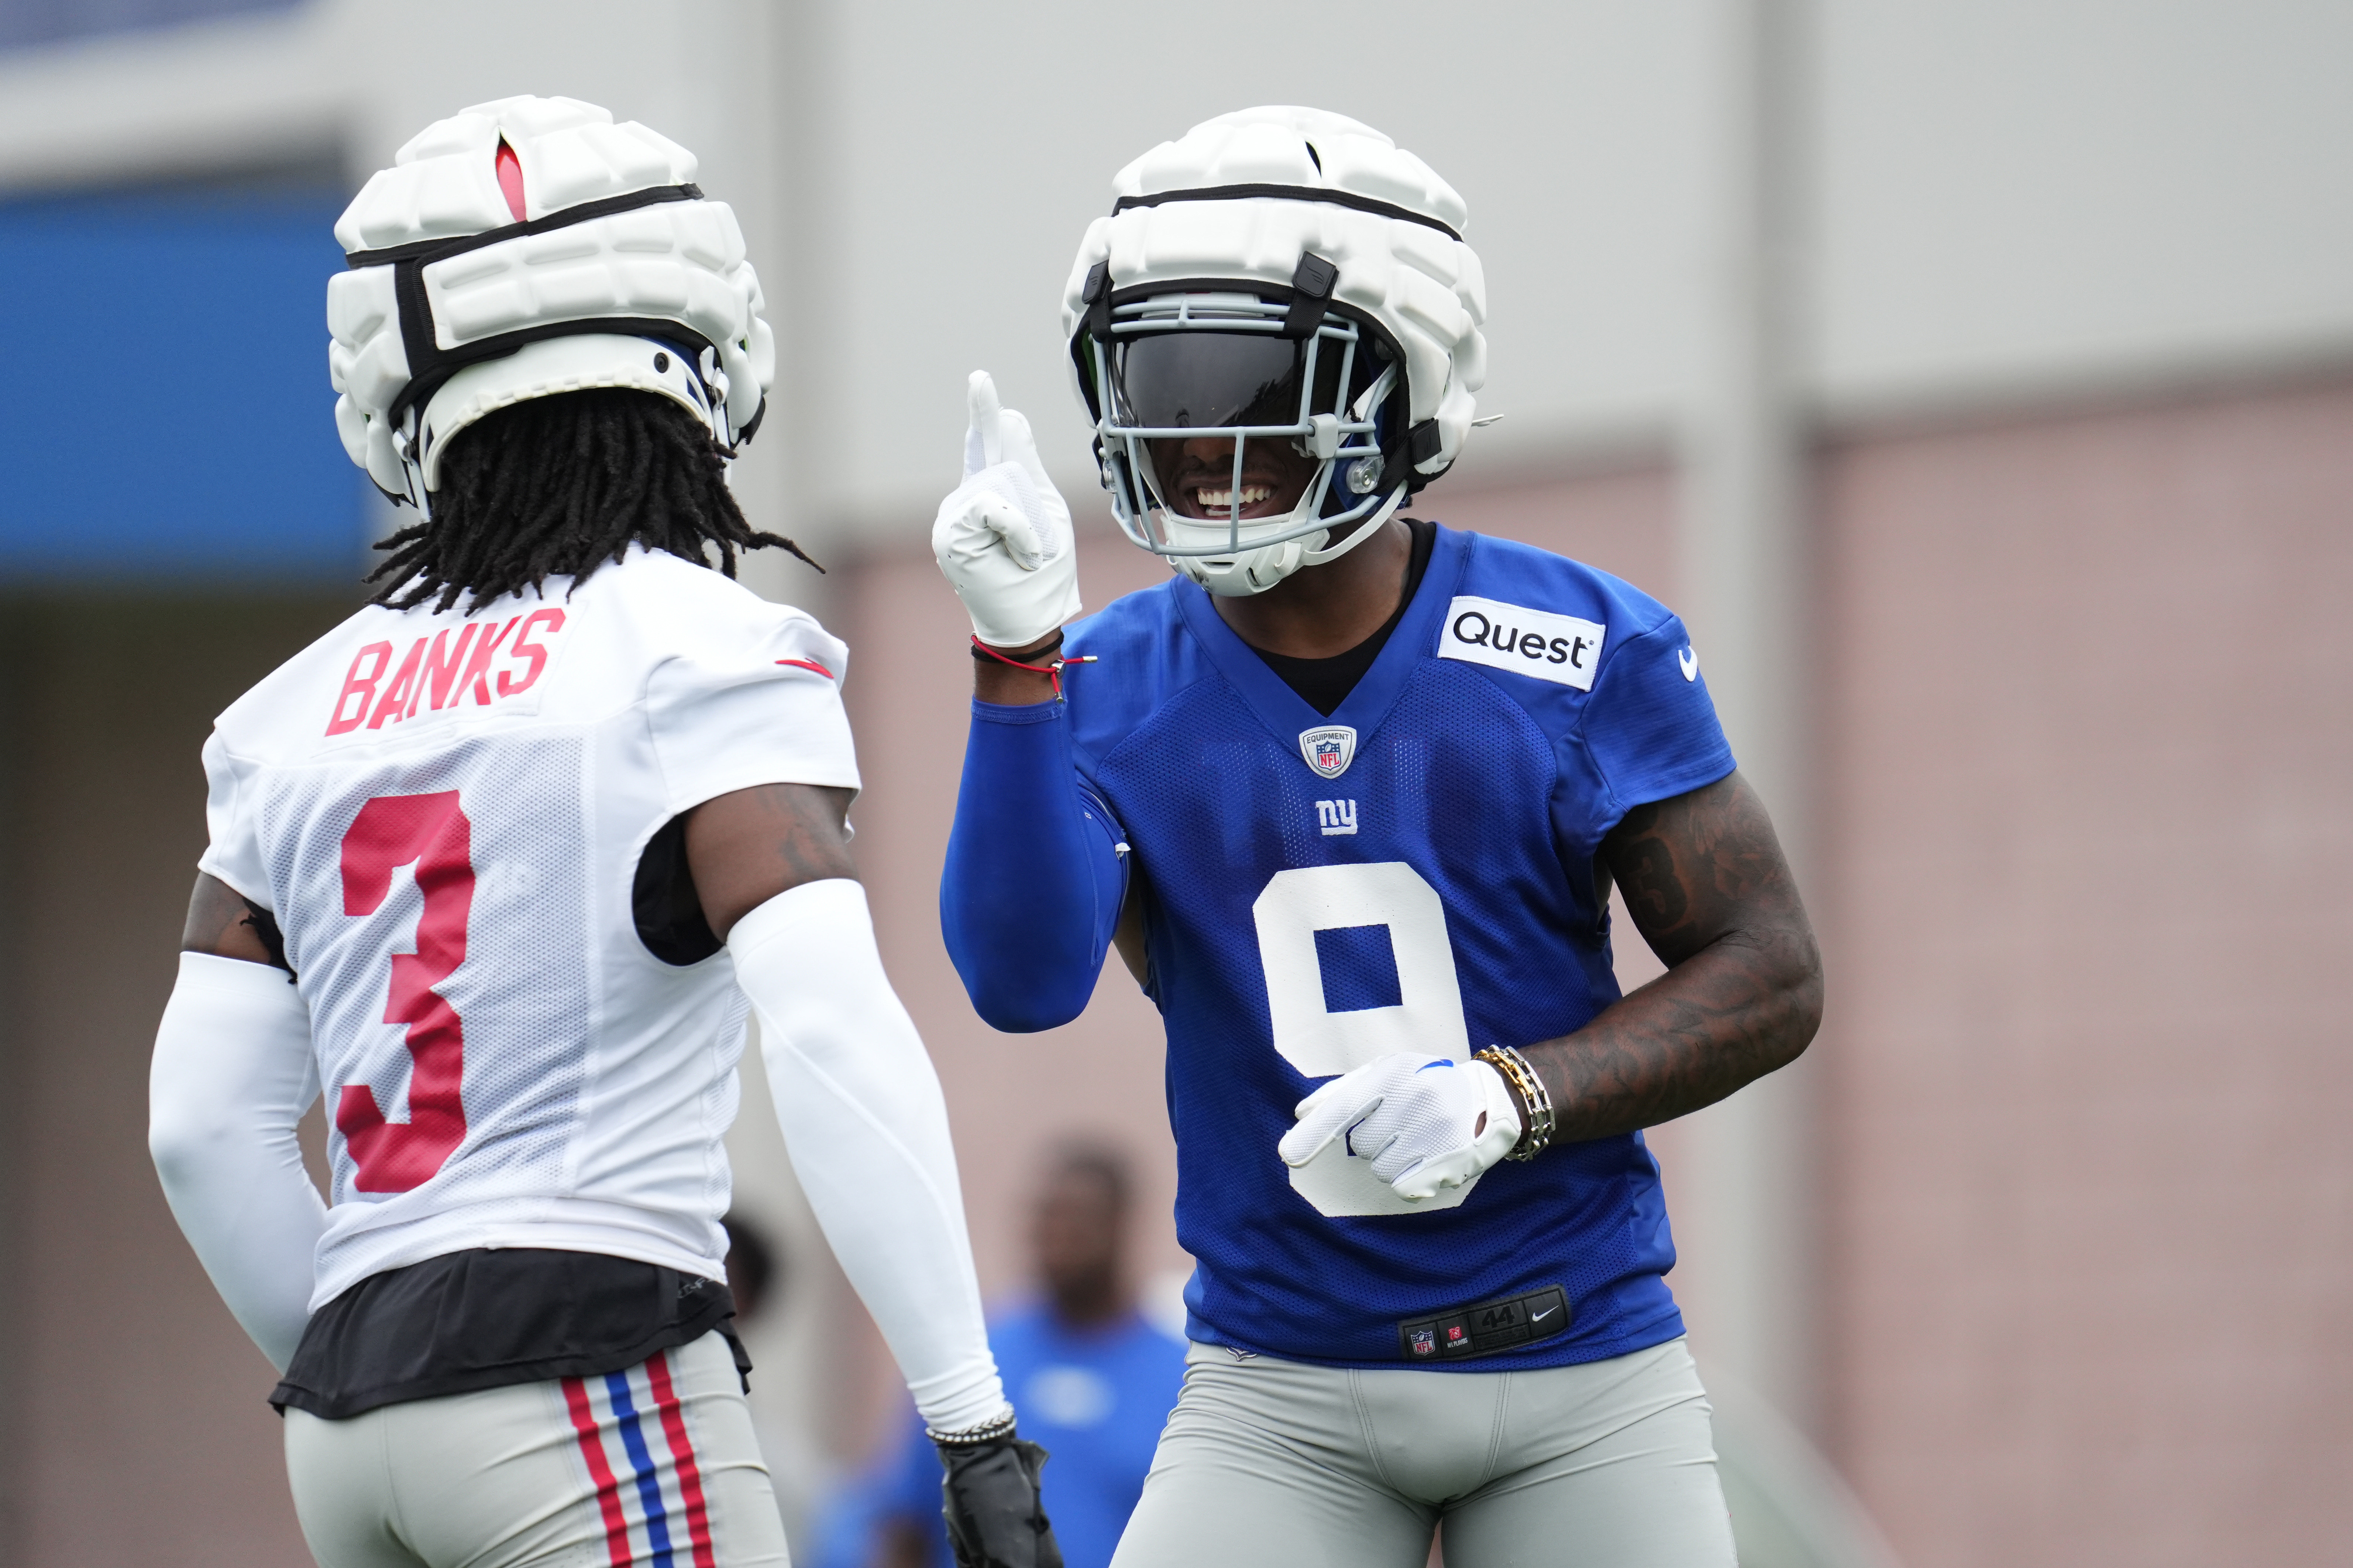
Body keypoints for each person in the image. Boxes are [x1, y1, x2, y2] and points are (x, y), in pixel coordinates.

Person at [147, 95, 1058, 1568]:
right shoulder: (699, 646)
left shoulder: (282, 716)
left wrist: (374, 1355)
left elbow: (200, 1129)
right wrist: (968, 1424)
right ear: (703, 341)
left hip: (351, 1420)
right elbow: (827, 1029)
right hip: (581, 1374)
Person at [932, 106, 1824, 1568]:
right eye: (1156, 381)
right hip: (1276, 1391)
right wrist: (1011, 657)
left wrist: (1515, 1094)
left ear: (1405, 384)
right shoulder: (1097, 679)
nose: (1195, 435)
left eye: (1247, 384)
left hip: (1579, 1376)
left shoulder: (1575, 646)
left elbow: (1770, 973)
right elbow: (1019, 988)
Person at [839, 1148, 1186, 1568]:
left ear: (1120, 1224)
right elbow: (904, 1524)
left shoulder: (1182, 1380)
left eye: (1077, 1218)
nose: (1057, 1234)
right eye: (1047, 1217)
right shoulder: (972, 1359)